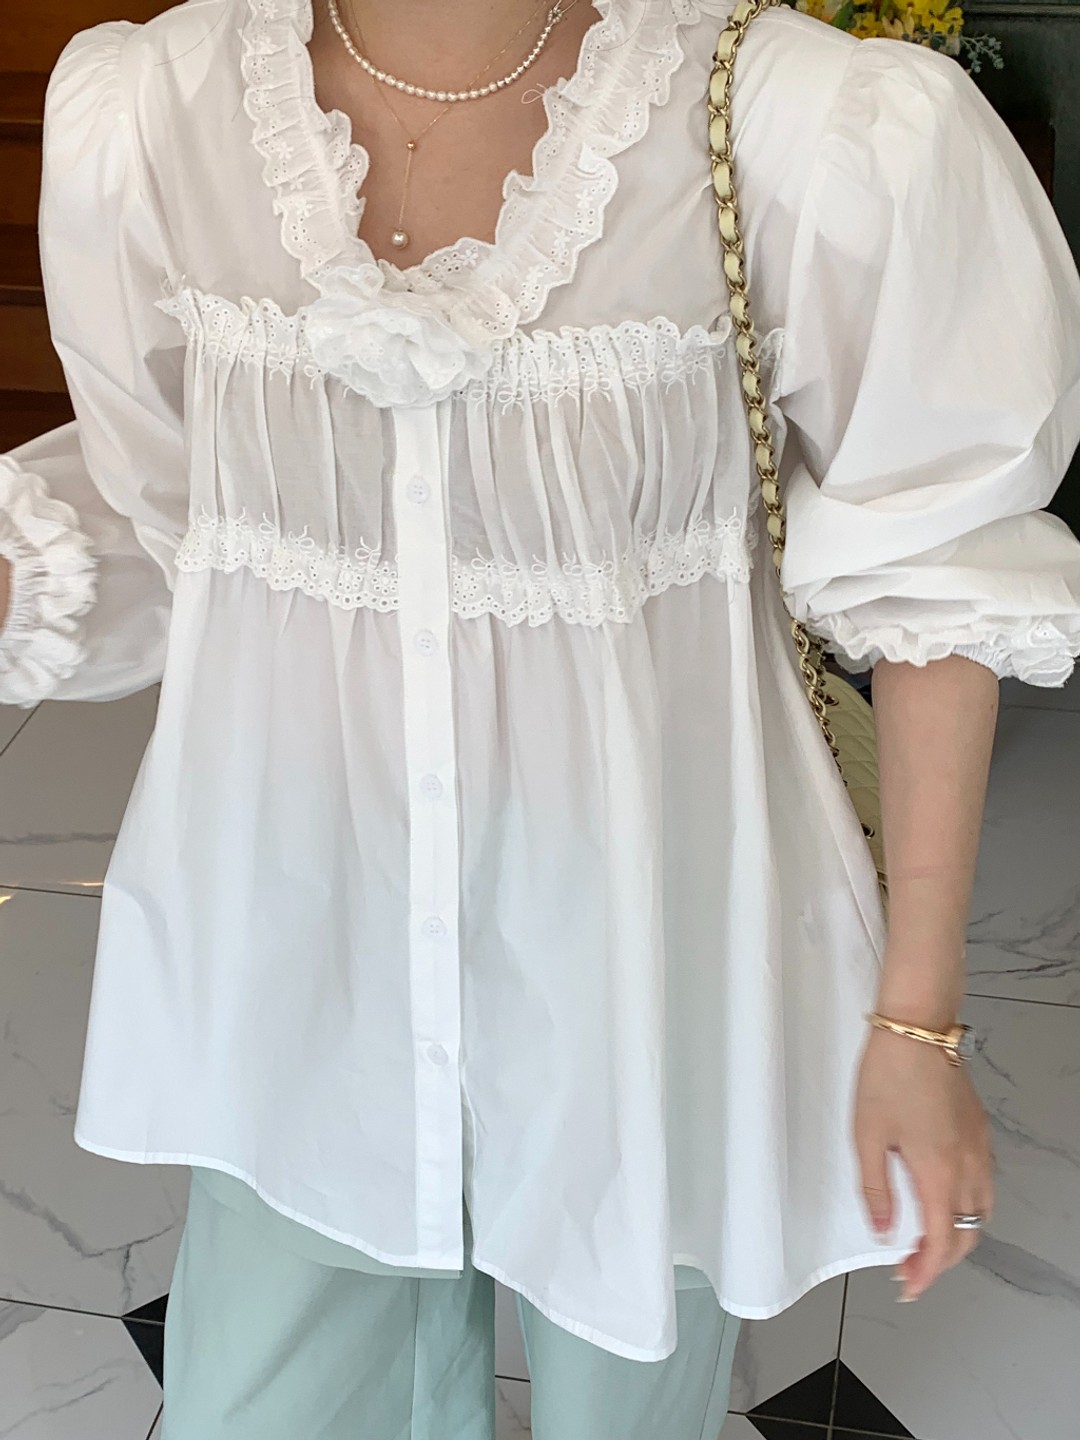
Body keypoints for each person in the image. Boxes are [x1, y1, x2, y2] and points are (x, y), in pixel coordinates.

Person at [1, 0, 1079, 1434]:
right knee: (265, 1400)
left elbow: (937, 577)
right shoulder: (154, 117)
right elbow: (177, 527)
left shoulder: (802, 128)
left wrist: (916, 1024)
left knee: (626, 1400)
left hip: (646, 965)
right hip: (296, 955)